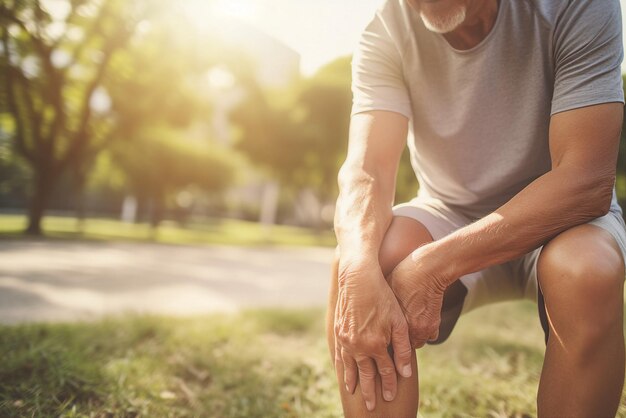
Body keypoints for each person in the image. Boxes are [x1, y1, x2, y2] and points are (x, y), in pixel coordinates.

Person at [327, 0, 626, 416]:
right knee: (364, 262)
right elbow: (368, 171)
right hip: (449, 210)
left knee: (587, 270)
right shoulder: (386, 29)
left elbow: (586, 180)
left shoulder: (580, 6)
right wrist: (357, 267)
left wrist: (433, 266)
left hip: (563, 219)